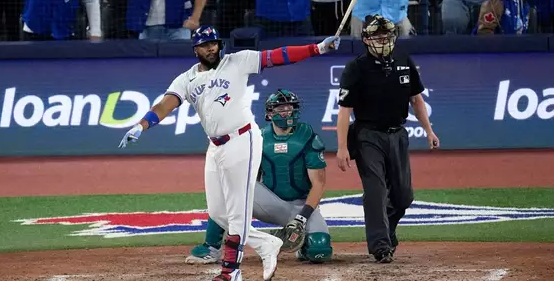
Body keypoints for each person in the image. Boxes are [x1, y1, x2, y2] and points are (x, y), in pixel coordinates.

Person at [119, 26, 340, 281]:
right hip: (215, 146)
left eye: (214, 43)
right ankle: (267, 243)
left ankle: (231, 271)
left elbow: (278, 56)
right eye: (205, 45)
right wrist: (141, 125)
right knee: (218, 212)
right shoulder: (186, 79)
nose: (211, 48)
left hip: (242, 139)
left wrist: (317, 48)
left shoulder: (237, 61)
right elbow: (166, 103)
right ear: (196, 49)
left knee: (236, 211)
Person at [335, 15, 439, 263]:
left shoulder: (404, 61)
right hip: (367, 135)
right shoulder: (356, 68)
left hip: (398, 135)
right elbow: (344, 110)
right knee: (375, 191)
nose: (383, 40)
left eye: (386, 35)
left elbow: (416, 100)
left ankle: (387, 229)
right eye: (377, 36)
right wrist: (341, 148)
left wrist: (429, 131)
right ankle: (380, 246)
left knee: (404, 196)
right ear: (366, 40)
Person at [185, 89, 332, 265]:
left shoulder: (308, 137)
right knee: (228, 191)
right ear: (270, 113)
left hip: (301, 207)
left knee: (320, 250)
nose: (286, 112)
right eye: (280, 109)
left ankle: (301, 245)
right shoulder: (258, 138)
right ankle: (211, 247)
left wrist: (302, 218)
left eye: (289, 108)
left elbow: (319, 184)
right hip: (270, 202)